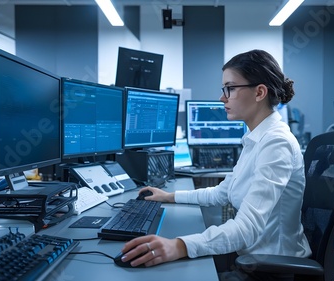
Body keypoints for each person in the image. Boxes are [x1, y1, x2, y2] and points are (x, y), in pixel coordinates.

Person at [118, 49, 312, 280]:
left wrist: (178, 246)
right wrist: (170, 196)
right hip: (251, 256)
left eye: (230, 88)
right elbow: (222, 193)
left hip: (272, 267)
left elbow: (246, 228)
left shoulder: (276, 143)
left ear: (260, 92)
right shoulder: (257, 139)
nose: (222, 98)